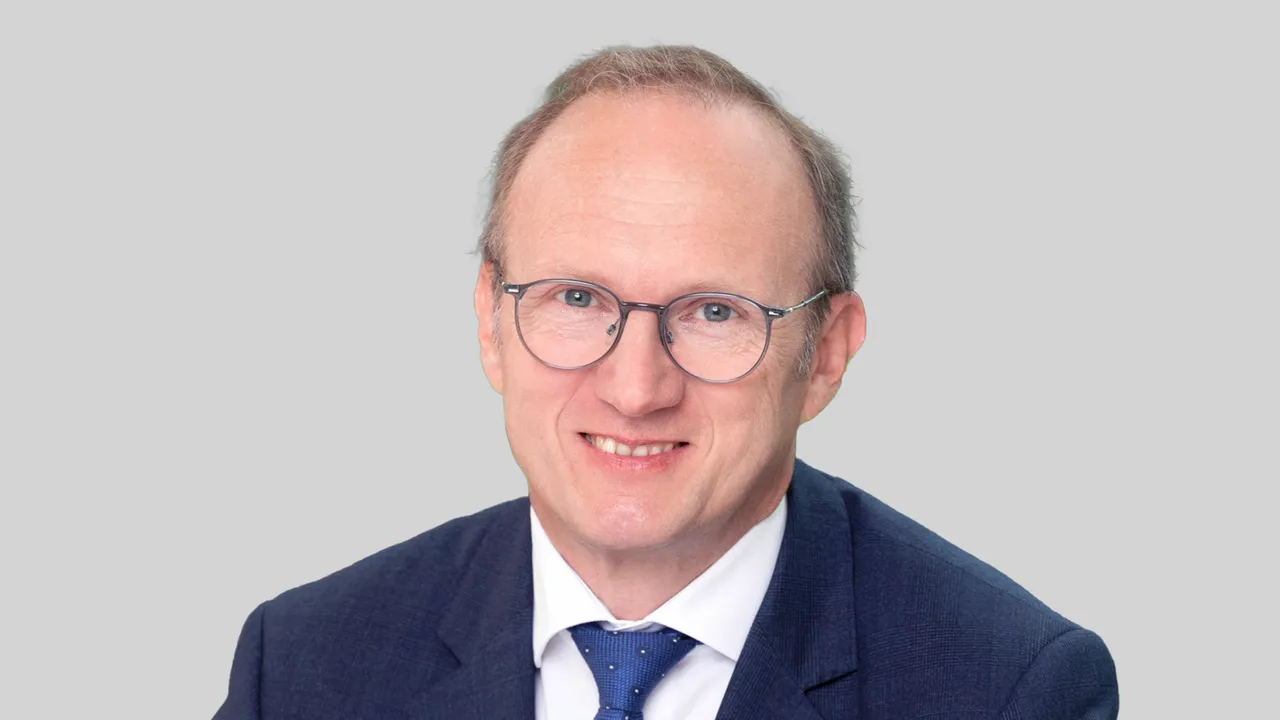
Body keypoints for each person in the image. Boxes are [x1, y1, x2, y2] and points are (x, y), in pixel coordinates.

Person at [213, 45, 1118, 720]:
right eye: (576, 298)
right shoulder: (302, 668)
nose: (636, 388)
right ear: (490, 321)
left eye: (715, 312)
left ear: (826, 354)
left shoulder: (1005, 688)